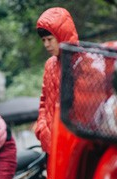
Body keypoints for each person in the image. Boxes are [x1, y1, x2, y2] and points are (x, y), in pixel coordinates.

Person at [34, 7, 78, 153]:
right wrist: (42, 129)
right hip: (50, 144)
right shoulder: (49, 64)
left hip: (72, 145)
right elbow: (43, 100)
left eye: (49, 39)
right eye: (43, 40)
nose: (46, 44)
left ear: (62, 35)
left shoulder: (83, 63)